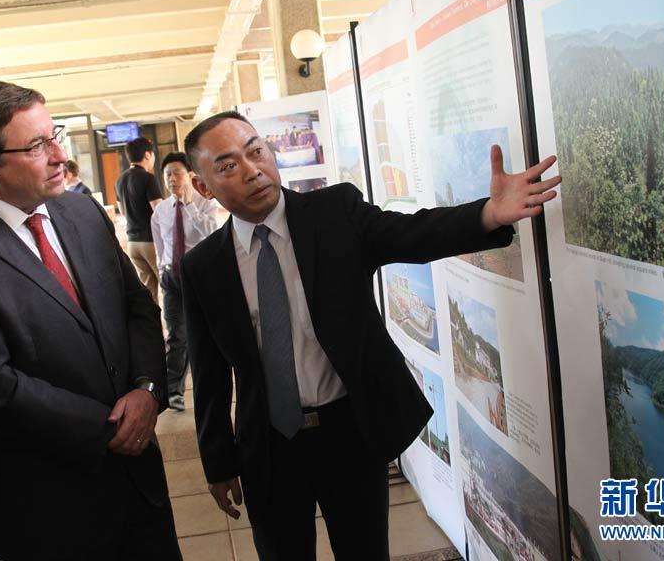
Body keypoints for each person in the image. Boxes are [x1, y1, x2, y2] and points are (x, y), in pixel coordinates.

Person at [180, 111, 561, 560]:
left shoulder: (334, 214)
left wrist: (487, 214)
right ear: (203, 186)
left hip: (349, 432)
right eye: (228, 165)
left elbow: (413, 233)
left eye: (256, 151)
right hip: (268, 445)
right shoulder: (204, 267)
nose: (252, 170)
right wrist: (218, 463)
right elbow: (208, 373)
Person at [0, 81, 181, 561]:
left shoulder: (81, 210)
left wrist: (147, 390)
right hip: (46, 503)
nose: (60, 155)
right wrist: (112, 427)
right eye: (37, 146)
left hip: (138, 487)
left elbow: (137, 306)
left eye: (54, 136)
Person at [150, 152, 223, 411]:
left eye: (177, 173)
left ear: (190, 175)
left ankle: (211, 385)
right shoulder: (161, 210)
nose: (172, 179)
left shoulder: (205, 204)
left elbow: (211, 232)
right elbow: (160, 245)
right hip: (171, 278)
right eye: (167, 174)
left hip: (199, 277)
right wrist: (162, 269)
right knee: (176, 335)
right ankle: (174, 391)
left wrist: (190, 205)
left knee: (203, 333)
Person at [115, 137, 162, 307]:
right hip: (151, 242)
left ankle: (153, 322)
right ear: (147, 155)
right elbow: (159, 211)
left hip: (132, 244)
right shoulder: (148, 178)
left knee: (149, 292)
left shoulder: (120, 180)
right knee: (168, 287)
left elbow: (122, 211)